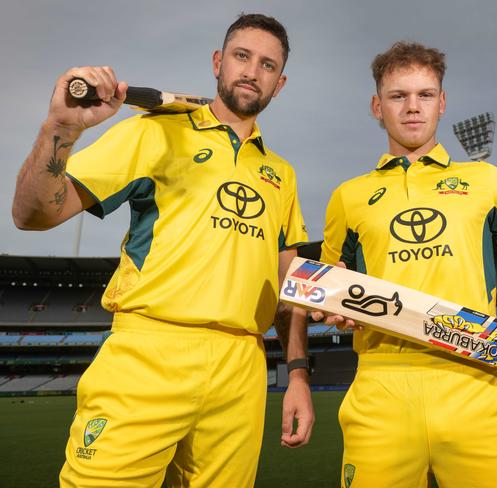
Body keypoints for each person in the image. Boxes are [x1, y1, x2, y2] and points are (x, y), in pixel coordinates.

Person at [12, 13, 314, 488]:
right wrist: (61, 130)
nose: (253, 72)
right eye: (242, 56)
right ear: (218, 61)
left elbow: (289, 287)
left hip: (243, 368)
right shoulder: (155, 132)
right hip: (151, 351)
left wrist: (298, 374)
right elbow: (33, 215)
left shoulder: (282, 174)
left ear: (281, 81)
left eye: (268, 65)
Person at [315, 42, 497, 488]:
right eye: (398, 96)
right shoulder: (349, 195)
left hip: (474, 382)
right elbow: (329, 285)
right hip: (381, 388)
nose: (413, 108)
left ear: (442, 103)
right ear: (377, 107)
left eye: (425, 94)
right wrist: (334, 311)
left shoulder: (486, 181)